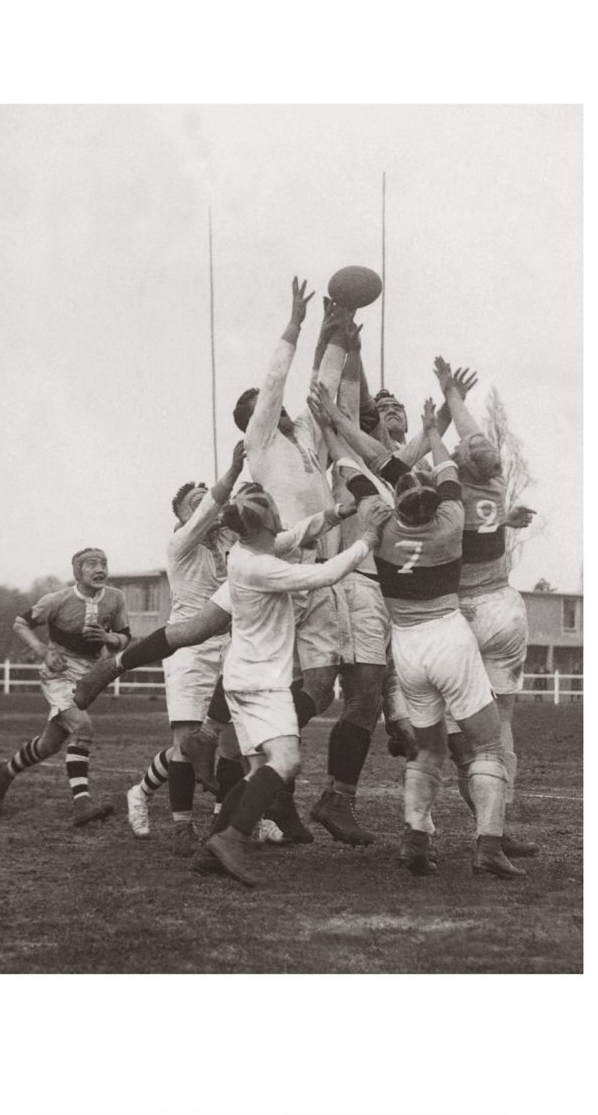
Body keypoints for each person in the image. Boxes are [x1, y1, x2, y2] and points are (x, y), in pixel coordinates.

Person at [338, 398, 526, 879]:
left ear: (395, 502)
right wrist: (433, 426)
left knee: (428, 748)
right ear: (434, 499)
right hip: (449, 638)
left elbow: (360, 471)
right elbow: (443, 467)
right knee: (486, 745)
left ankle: (416, 839)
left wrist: (333, 428)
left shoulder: (379, 525)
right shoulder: (450, 520)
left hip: (407, 648)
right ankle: (488, 844)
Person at [304, 352, 476, 845]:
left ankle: (431, 824)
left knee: (412, 714)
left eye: (398, 405)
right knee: (360, 696)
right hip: (358, 586)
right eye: (383, 407)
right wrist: (351, 351)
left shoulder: (399, 470)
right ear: (367, 419)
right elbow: (349, 410)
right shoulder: (352, 459)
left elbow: (429, 435)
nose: (391, 409)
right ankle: (333, 798)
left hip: (397, 601)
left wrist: (449, 399)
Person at [193, 483, 392, 886]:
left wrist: (341, 512)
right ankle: (232, 837)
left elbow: (302, 532)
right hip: (260, 681)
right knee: (285, 762)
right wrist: (368, 537)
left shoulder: (253, 550)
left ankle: (212, 846)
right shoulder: (260, 565)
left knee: (265, 767)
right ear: (267, 521)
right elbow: (325, 573)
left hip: (246, 678)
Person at [229, 278, 353, 840]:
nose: (275, 408)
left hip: (317, 574)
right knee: (275, 684)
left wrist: (338, 336)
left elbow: (321, 387)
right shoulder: (260, 443)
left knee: (321, 687)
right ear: (253, 418)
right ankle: (251, 772)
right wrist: (297, 324)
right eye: (264, 406)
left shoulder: (303, 437)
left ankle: (263, 773)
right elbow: (277, 380)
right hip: (278, 571)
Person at [432, 357, 538, 858]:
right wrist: (451, 397)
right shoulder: (490, 482)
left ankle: (482, 810)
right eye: (479, 445)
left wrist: (448, 400)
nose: (482, 441)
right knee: (501, 723)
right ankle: (494, 819)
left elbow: (466, 440)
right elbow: (473, 441)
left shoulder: (454, 485)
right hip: (495, 606)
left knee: (467, 727)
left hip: (462, 611)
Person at [127, 444, 244, 857]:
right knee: (186, 740)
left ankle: (223, 817)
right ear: (181, 515)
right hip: (188, 649)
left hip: (231, 645)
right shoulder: (180, 541)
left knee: (229, 741)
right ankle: (181, 825)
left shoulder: (231, 540)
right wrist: (231, 471)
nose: (207, 506)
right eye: (195, 503)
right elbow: (212, 505)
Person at [0, 548, 130, 826]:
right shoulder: (58, 599)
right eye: (91, 564)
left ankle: (5, 771)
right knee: (84, 728)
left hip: (87, 678)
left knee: (49, 744)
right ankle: (81, 804)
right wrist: (43, 651)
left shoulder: (116, 598)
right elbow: (20, 623)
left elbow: (125, 638)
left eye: (103, 563)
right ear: (77, 572)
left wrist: (108, 637)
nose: (99, 568)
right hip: (58, 674)